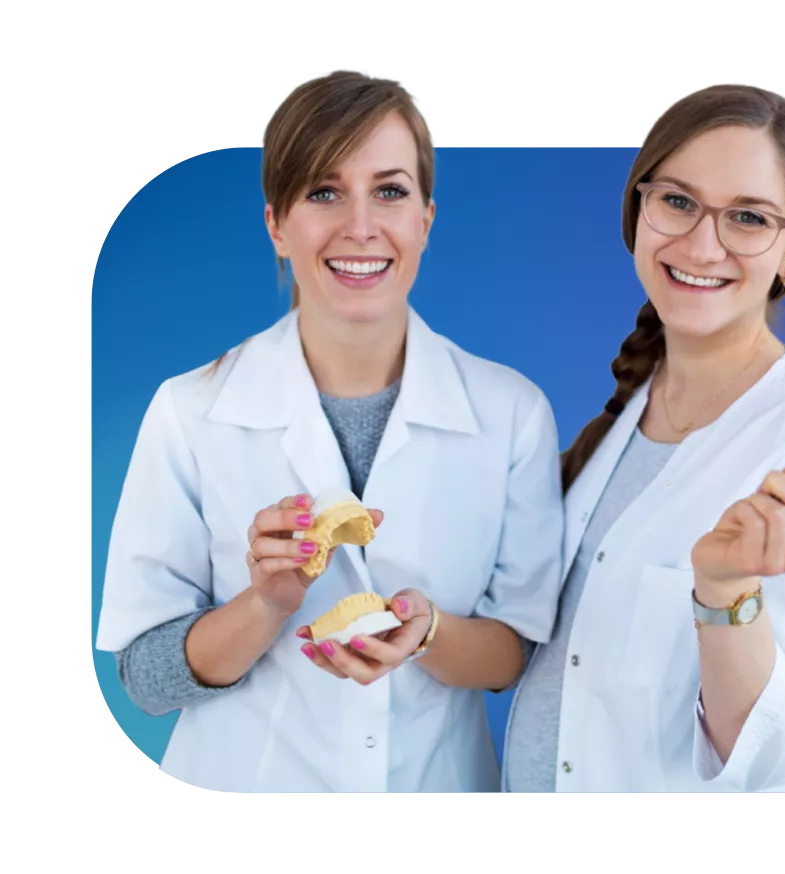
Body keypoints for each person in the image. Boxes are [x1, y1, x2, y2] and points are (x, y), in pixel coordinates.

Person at [94, 68, 565, 793]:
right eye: (323, 191)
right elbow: (146, 679)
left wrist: (428, 631)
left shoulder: (510, 414)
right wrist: (265, 604)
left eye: (389, 190)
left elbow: (514, 657)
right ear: (277, 224)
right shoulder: (190, 411)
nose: (360, 226)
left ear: (424, 220)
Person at [499, 83, 785, 792]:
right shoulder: (636, 401)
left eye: (746, 217)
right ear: (638, 210)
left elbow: (776, 755)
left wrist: (724, 589)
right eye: (676, 200)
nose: (701, 244)